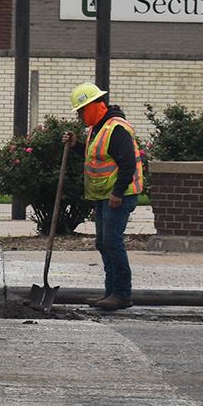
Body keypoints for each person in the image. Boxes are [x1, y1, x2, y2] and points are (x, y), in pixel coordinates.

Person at [68, 82, 145, 312]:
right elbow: (96, 155)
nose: (80, 116)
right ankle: (110, 292)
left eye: (81, 110)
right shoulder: (98, 128)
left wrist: (118, 193)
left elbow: (127, 163)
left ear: (94, 105)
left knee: (112, 241)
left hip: (119, 195)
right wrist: (76, 145)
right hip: (105, 196)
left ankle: (121, 294)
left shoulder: (116, 128)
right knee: (103, 243)